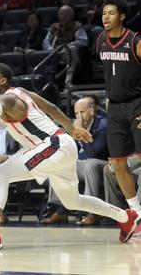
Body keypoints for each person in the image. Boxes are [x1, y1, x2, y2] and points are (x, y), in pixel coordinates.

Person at [0, 62, 141, 250]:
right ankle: (125, 217)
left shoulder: (7, 98)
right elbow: (51, 108)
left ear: (3, 81)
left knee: (0, 175)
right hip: (62, 146)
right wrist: (71, 129)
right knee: (72, 201)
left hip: (52, 146)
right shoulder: (22, 92)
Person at [97, 0, 141, 214]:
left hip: (137, 105)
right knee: (118, 162)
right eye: (104, 13)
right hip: (114, 107)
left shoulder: (135, 41)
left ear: (122, 16)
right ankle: (136, 212)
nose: (106, 17)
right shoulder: (100, 41)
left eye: (111, 13)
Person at [41, 96, 108, 226]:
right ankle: (59, 210)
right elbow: (72, 152)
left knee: (91, 164)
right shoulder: (75, 126)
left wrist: (80, 133)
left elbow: (93, 153)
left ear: (92, 111)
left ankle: (90, 212)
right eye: (76, 113)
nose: (78, 116)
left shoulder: (102, 125)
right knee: (60, 165)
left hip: (101, 165)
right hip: (82, 164)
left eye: (82, 112)